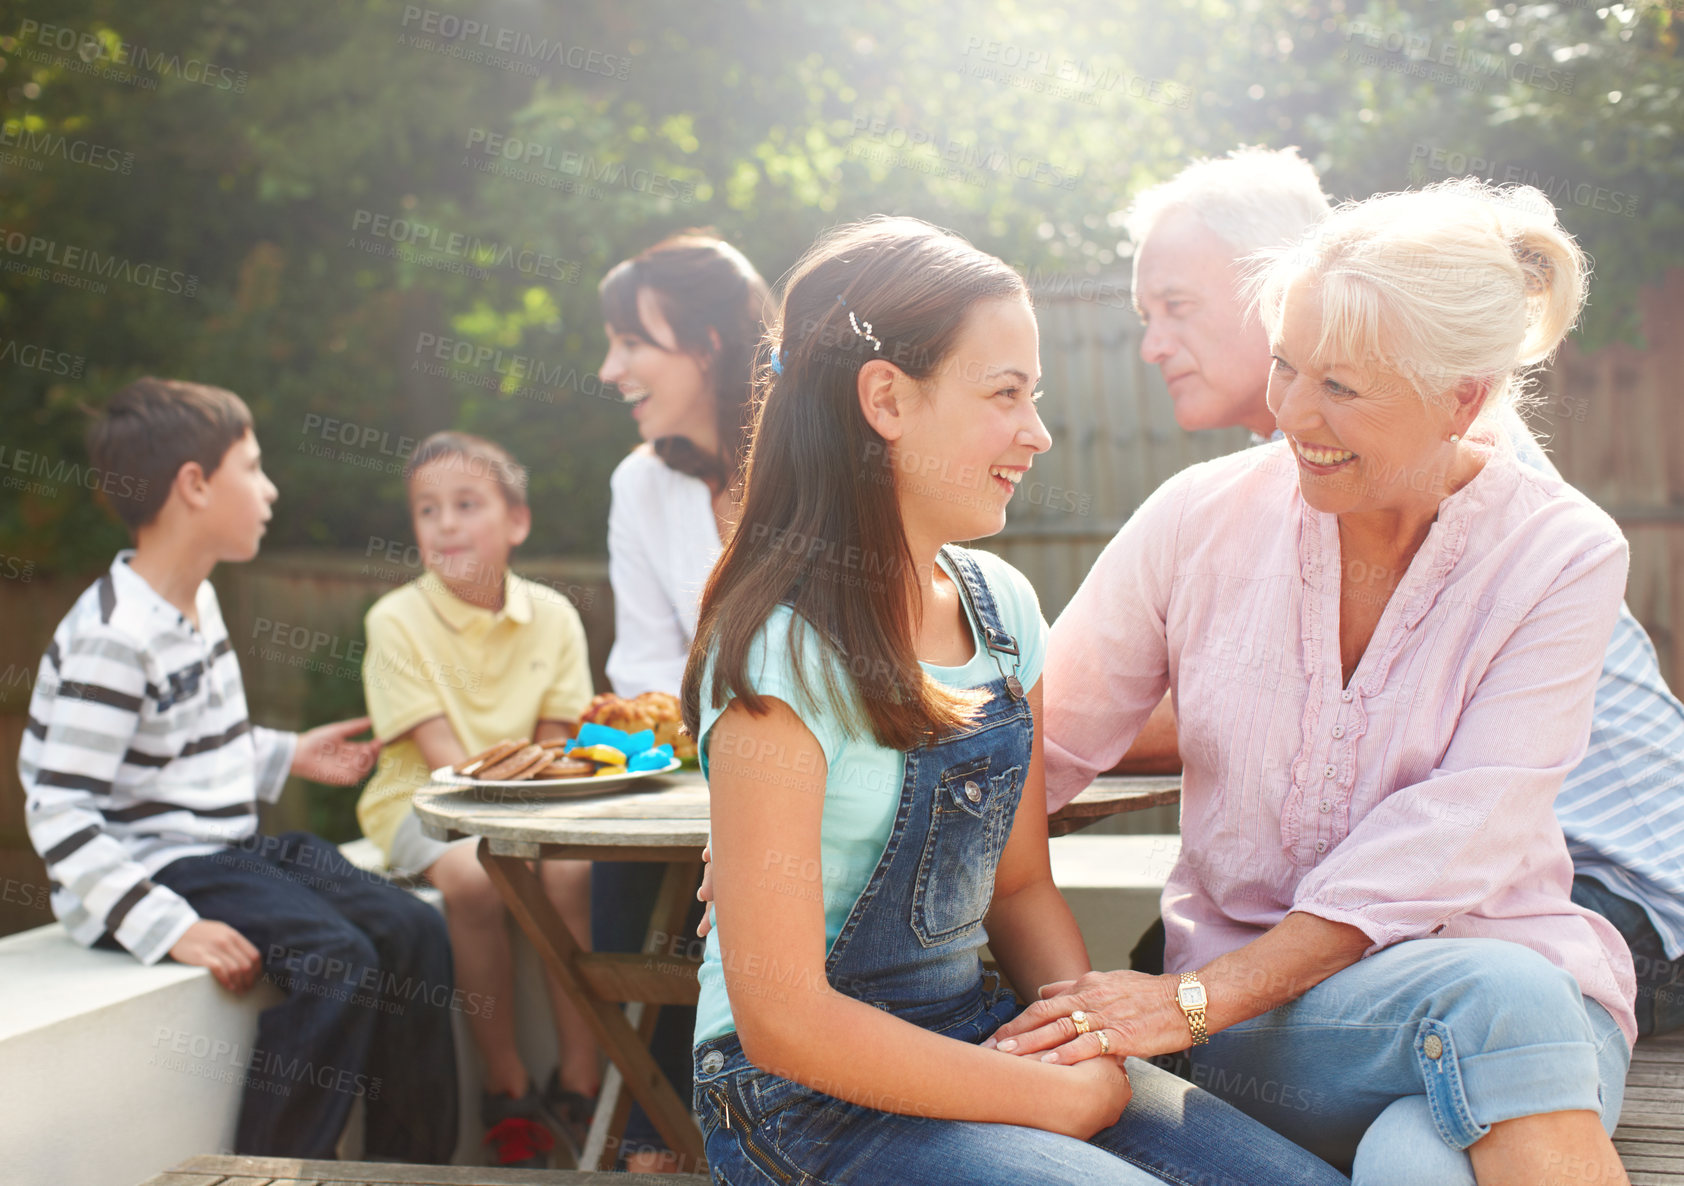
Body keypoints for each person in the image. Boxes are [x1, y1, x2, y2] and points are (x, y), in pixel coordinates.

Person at [993, 181, 1637, 1185]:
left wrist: (1186, 1003)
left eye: (1340, 386)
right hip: (1284, 1029)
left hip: (1512, 1002)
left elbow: (1458, 832)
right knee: (1501, 996)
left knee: (1420, 1160)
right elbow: (1031, 743)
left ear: (1463, 397)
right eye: (1287, 368)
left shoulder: (1563, 553)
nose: (1293, 412)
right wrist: (824, 840)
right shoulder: (1195, 517)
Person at [683, 215, 1349, 1185]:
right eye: (1004, 395)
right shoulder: (777, 654)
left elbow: (1019, 886)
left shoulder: (1001, 613)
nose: (1036, 432)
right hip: (802, 1104)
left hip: (975, 1029)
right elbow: (783, 1023)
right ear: (885, 399)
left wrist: (1086, 1038)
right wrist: (1052, 1096)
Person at [1119, 146, 1684, 1037]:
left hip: (1612, 887)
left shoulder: (1451, 467)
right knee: (1197, 968)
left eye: (1177, 307)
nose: (1153, 342)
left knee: (1217, 986)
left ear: (1287, 274)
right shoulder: (1281, 480)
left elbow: (1364, 759)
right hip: (1435, 883)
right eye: (1146, 315)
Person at [19, 377, 457, 1161]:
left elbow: (186, 749)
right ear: (194, 485)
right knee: (339, 958)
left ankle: (411, 1170)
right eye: (252, 468)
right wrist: (168, 927)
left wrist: (287, 753)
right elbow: (58, 809)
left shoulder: (195, 599)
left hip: (227, 854)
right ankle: (270, 1173)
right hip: (158, 871)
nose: (270, 489)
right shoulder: (115, 637)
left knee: (414, 926)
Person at [355, 431, 597, 1168]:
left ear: (516, 521)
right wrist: (515, 822)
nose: (447, 524)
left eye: (467, 503)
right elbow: (441, 765)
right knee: (472, 873)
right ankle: (507, 1087)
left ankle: (582, 1082)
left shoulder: (553, 615)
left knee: (572, 872)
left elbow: (555, 749)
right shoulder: (394, 620)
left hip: (526, 806)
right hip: (424, 806)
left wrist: (534, 820)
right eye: (428, 511)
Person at [593, 231, 768, 1172]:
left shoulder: (812, 462)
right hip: (700, 772)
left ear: (706, 342)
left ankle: (745, 1130)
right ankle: (658, 1136)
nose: (610, 367)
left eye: (632, 342)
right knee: (623, 856)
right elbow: (648, 671)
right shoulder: (640, 482)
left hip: (827, 768)